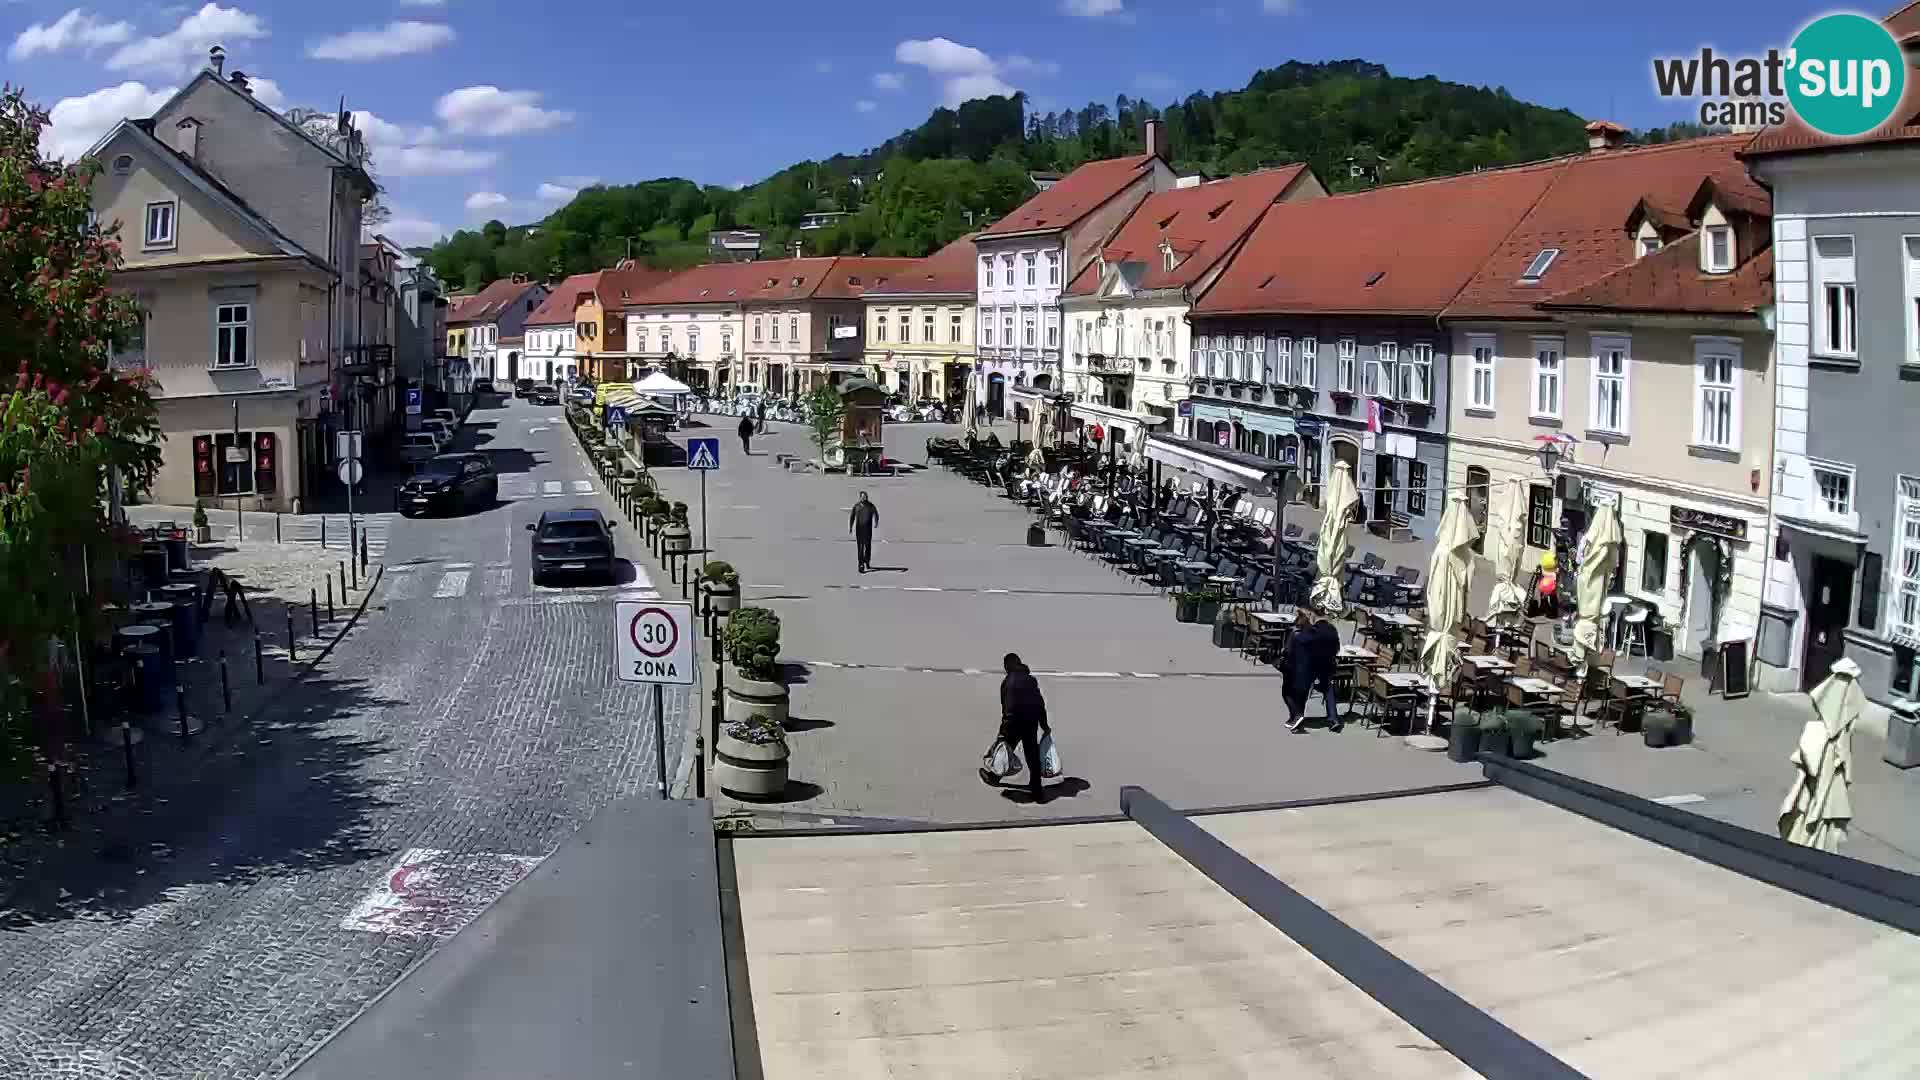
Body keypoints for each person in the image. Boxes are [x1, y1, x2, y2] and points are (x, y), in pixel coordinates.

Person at [998, 652, 1050, 802]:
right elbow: (1040, 704)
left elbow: (1008, 708)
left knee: (1003, 751)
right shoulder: (1031, 680)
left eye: (1006, 665)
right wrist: (1044, 724)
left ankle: (994, 776)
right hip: (1030, 723)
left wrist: (1003, 730)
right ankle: (1037, 790)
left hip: (1013, 723)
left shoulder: (1007, 682)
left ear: (1009, 665)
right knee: (1032, 757)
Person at [1283, 609, 1344, 733]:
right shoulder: (1332, 630)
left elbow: (1303, 643)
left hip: (1312, 666)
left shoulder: (1312, 632)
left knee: (1303, 691)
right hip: (1327, 665)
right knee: (1328, 690)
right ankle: (1333, 719)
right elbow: (1337, 648)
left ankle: (1298, 716)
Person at [849, 490, 879, 573]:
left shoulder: (870, 506)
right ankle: (860, 564)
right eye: (862, 497)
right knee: (860, 547)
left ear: (867, 497)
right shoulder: (856, 506)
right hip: (859, 530)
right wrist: (851, 527)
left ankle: (867, 560)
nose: (863, 498)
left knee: (868, 546)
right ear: (860, 498)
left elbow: (876, 514)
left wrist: (876, 522)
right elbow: (852, 517)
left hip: (868, 530)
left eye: (865, 496)